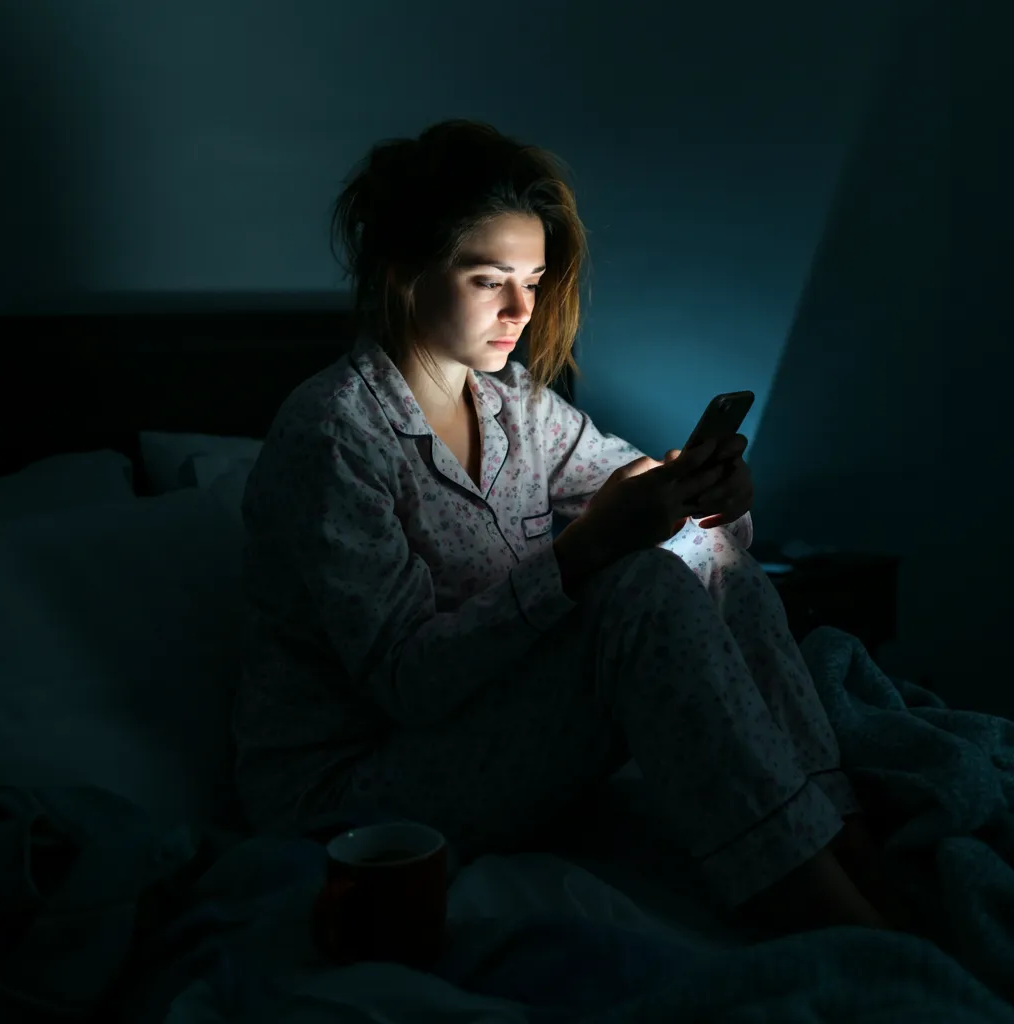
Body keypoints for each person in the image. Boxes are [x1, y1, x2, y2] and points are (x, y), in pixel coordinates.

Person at [234, 119, 915, 936]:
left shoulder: (515, 406)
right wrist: (585, 550)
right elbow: (406, 684)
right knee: (638, 588)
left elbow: (660, 511)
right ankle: (830, 917)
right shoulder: (334, 434)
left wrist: (712, 497)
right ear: (404, 271)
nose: (523, 308)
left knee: (700, 552)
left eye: (535, 278)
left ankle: (848, 846)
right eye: (490, 280)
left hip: (485, 731)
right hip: (359, 790)